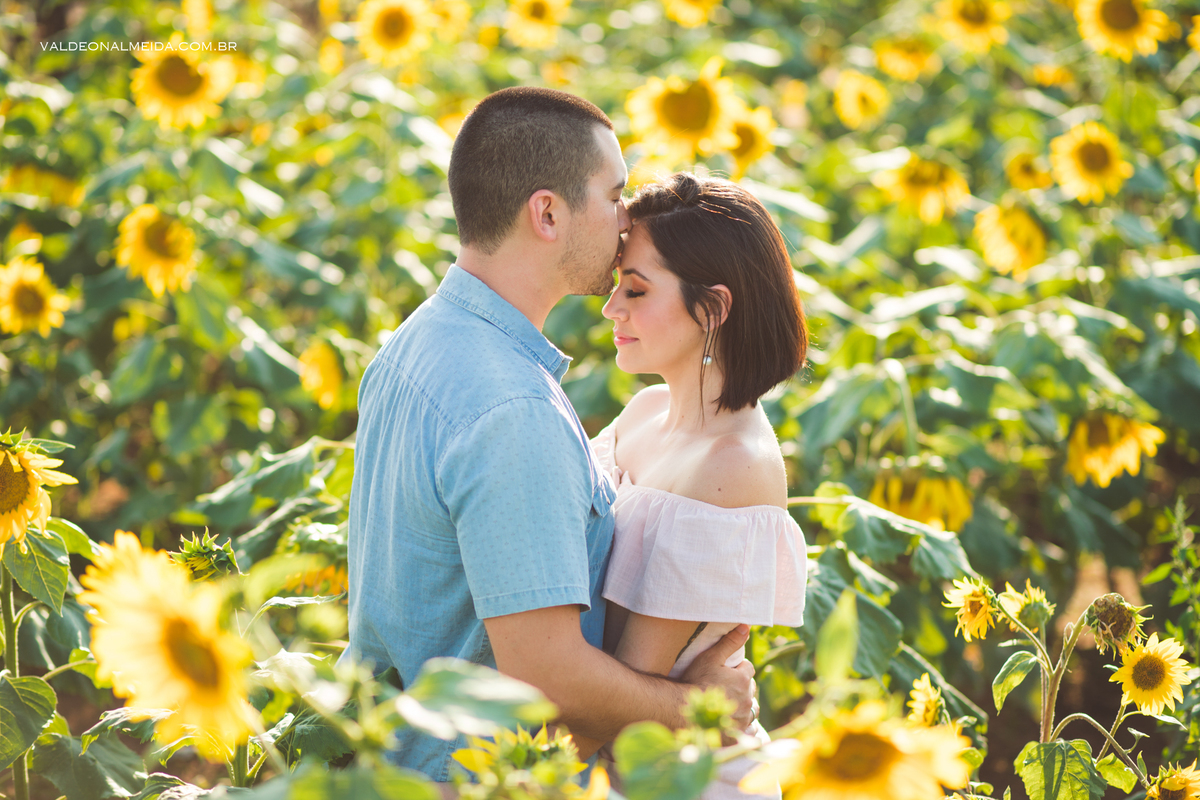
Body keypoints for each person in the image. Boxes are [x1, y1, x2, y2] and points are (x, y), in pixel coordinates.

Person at [340, 87, 756, 787]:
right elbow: (547, 682)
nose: (628, 218)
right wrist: (698, 709)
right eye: (614, 194)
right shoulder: (512, 410)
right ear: (548, 212)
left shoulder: (414, 345)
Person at [591, 172, 810, 799]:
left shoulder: (731, 465)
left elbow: (628, 691)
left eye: (635, 289)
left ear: (712, 308)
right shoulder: (643, 412)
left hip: (677, 774)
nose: (612, 308)